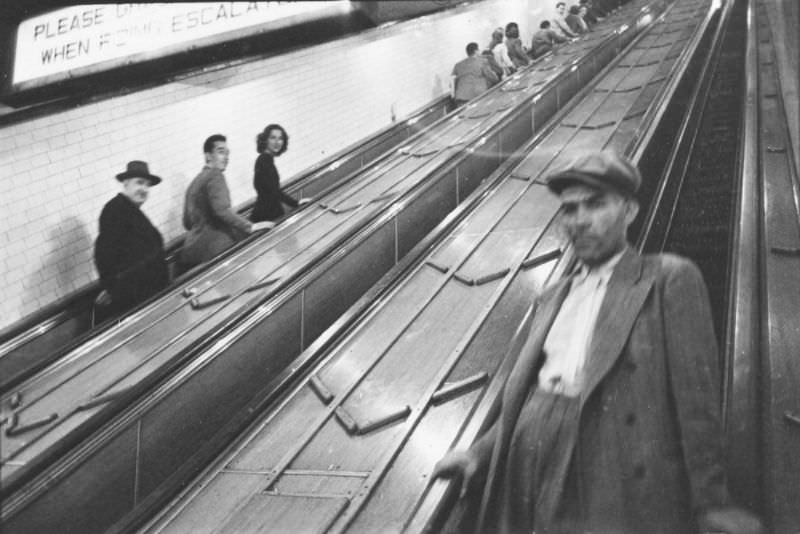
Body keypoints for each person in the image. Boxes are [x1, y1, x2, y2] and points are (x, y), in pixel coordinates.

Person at [433, 151, 763, 534]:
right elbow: (522, 398)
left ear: (630, 211)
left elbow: (696, 403)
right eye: (570, 209)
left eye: (595, 204)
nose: (580, 220)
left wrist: (712, 502)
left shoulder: (667, 278)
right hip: (529, 466)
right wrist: (478, 454)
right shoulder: (553, 295)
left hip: (608, 464)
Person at [180, 134, 272, 268]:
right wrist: (250, 226)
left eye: (227, 153)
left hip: (191, 253)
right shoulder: (215, 175)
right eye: (221, 152)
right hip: (215, 250)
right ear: (208, 155)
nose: (226, 157)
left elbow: (187, 223)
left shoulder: (194, 183)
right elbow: (221, 210)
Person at [94, 160, 168, 317]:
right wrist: (112, 288)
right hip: (135, 300)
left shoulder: (129, 210)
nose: (144, 189)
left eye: (147, 185)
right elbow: (104, 253)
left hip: (146, 296)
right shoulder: (116, 210)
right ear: (126, 184)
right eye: (139, 183)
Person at [250, 124, 310, 224]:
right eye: (273, 138)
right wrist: (295, 203)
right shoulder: (264, 160)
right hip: (266, 216)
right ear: (265, 140)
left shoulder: (265, 159)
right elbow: (273, 191)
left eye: (280, 138)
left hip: (268, 213)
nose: (277, 142)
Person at [451, 42, 499, 107]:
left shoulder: (458, 65)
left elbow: (452, 81)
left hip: (461, 98)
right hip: (477, 96)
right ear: (476, 51)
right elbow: (492, 77)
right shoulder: (482, 61)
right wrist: (496, 77)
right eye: (478, 50)